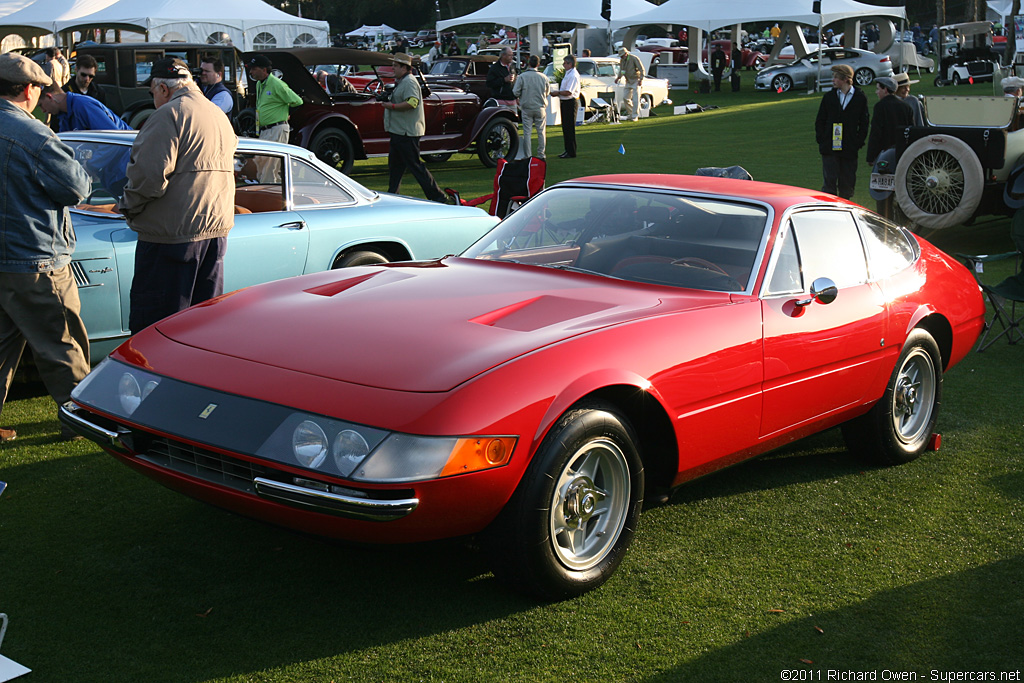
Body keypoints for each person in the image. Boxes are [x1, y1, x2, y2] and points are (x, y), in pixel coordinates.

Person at [0, 53, 91, 441]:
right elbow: (77, 188)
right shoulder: (32, 133)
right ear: (28, 89)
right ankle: (86, 423)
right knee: (62, 344)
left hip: (11, 257)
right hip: (34, 258)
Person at [116, 58, 237, 335]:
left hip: (171, 236)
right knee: (202, 327)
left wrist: (128, 207)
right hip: (214, 231)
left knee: (158, 329)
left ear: (162, 88)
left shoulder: (169, 114)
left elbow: (148, 177)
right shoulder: (216, 113)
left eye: (152, 92)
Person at [381, 52, 447, 203]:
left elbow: (412, 103)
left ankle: (438, 197)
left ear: (405, 68)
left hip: (406, 132)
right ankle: (393, 195)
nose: (393, 69)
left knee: (415, 166)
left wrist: (391, 105)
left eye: (396, 66)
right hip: (399, 131)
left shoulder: (409, 82)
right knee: (395, 167)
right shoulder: (403, 81)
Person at [814, 64, 869, 199]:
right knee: (829, 184)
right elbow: (820, 119)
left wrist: (858, 142)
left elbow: (864, 122)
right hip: (830, 146)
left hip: (849, 147)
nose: (833, 80)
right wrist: (822, 139)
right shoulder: (829, 97)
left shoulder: (859, 97)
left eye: (836, 77)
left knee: (847, 183)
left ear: (845, 79)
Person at [866, 76, 913, 218]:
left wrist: (871, 156)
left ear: (885, 90)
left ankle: (884, 219)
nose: (876, 92)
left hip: (884, 155)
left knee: (882, 191)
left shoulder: (880, 107)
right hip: (901, 154)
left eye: (878, 89)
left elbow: (876, 133)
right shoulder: (906, 107)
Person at [246, 53, 302, 144]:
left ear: (264, 70)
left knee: (271, 158)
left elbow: (298, 101)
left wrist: (286, 114)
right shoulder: (259, 84)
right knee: (262, 158)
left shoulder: (277, 84)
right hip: (265, 130)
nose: (251, 72)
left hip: (276, 129)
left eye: (254, 69)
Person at [38, 82, 131, 132]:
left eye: (41, 105)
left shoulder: (82, 105)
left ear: (49, 97)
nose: (43, 110)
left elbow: (111, 138)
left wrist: (89, 165)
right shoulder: (63, 114)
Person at [513, 54, 548, 159]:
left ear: (528, 63)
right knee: (541, 132)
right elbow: (547, 92)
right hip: (540, 106)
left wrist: (520, 97)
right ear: (538, 64)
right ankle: (541, 154)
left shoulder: (523, 77)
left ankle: (528, 155)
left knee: (527, 132)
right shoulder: (544, 77)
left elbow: (515, 92)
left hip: (527, 106)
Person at [552, 54, 581, 158]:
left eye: (565, 63)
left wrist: (557, 93)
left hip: (570, 102)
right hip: (565, 102)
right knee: (566, 127)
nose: (563, 65)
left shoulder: (573, 75)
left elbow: (569, 92)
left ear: (570, 64)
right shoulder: (568, 73)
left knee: (569, 127)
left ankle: (571, 151)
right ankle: (567, 149)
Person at [615, 46, 645, 121]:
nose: (621, 57)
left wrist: (641, 79)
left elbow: (641, 69)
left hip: (636, 80)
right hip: (628, 81)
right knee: (625, 98)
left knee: (635, 99)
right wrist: (618, 77)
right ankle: (631, 113)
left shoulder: (634, 58)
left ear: (626, 54)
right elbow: (622, 70)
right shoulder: (622, 61)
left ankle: (635, 116)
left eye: (622, 55)